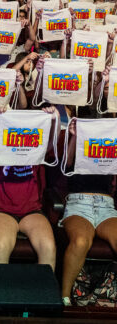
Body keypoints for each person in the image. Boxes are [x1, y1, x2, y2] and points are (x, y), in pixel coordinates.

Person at [0, 105, 58, 271]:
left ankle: (43, 289)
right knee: (2, 245)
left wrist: (55, 120)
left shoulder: (35, 148)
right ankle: (0, 288)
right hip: (2, 210)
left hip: (31, 211)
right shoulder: (0, 147)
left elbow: (51, 143)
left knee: (48, 247)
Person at [60, 118, 117, 306]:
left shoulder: (112, 134)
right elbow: (66, 166)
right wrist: (74, 137)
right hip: (79, 204)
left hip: (106, 206)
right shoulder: (79, 131)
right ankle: (64, 298)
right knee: (81, 241)